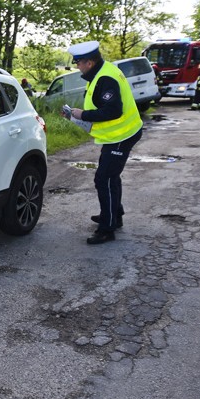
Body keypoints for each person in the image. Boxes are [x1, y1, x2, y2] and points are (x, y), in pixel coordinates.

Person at [64, 40, 144, 245]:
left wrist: (84, 114)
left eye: (78, 62)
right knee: (111, 177)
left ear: (89, 63)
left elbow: (113, 110)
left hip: (122, 136)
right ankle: (114, 215)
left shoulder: (106, 77)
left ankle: (107, 229)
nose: (76, 66)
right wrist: (77, 116)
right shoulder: (102, 72)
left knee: (104, 179)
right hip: (117, 136)